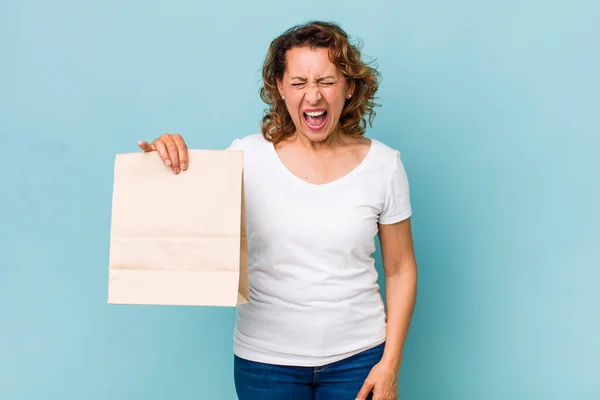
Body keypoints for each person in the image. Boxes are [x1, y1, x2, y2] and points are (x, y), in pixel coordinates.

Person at [138, 21, 417, 400]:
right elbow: (183, 215)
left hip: (360, 359)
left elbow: (400, 269)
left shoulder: (384, 165)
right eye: (299, 82)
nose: (313, 95)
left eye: (327, 81)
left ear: (349, 87)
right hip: (264, 363)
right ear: (280, 89)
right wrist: (164, 155)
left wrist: (390, 363)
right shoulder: (246, 156)